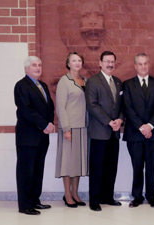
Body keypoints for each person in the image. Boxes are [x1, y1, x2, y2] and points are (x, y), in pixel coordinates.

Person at [123, 53, 154, 208]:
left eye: (145, 63)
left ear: (149, 64)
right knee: (137, 166)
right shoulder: (127, 84)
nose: (143, 66)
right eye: (140, 64)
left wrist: (150, 126)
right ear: (135, 66)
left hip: (153, 133)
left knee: (152, 166)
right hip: (135, 133)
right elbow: (127, 108)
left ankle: (152, 196)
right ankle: (137, 196)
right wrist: (142, 127)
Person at [14, 56, 55, 215]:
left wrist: (50, 123)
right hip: (28, 137)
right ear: (26, 69)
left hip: (42, 137)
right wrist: (44, 125)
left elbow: (49, 108)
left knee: (38, 170)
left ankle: (35, 201)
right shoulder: (21, 86)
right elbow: (26, 110)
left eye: (39, 65)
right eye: (34, 65)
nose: (38, 67)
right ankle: (25, 205)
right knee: (26, 171)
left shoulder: (43, 85)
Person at [85, 51, 124, 212]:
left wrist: (120, 120)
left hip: (114, 133)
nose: (110, 64)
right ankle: (94, 200)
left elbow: (122, 105)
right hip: (99, 132)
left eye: (112, 61)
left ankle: (107, 197)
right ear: (100, 63)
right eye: (107, 61)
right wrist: (109, 121)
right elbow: (92, 105)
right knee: (97, 167)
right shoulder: (93, 82)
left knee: (111, 166)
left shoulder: (118, 82)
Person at [55, 52, 88, 208]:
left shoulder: (85, 81)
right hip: (69, 128)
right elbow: (60, 107)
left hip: (83, 127)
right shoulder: (64, 81)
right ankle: (67, 195)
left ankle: (75, 193)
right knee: (68, 163)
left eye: (79, 60)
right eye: (73, 60)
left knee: (78, 162)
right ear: (68, 63)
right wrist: (66, 129)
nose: (77, 63)